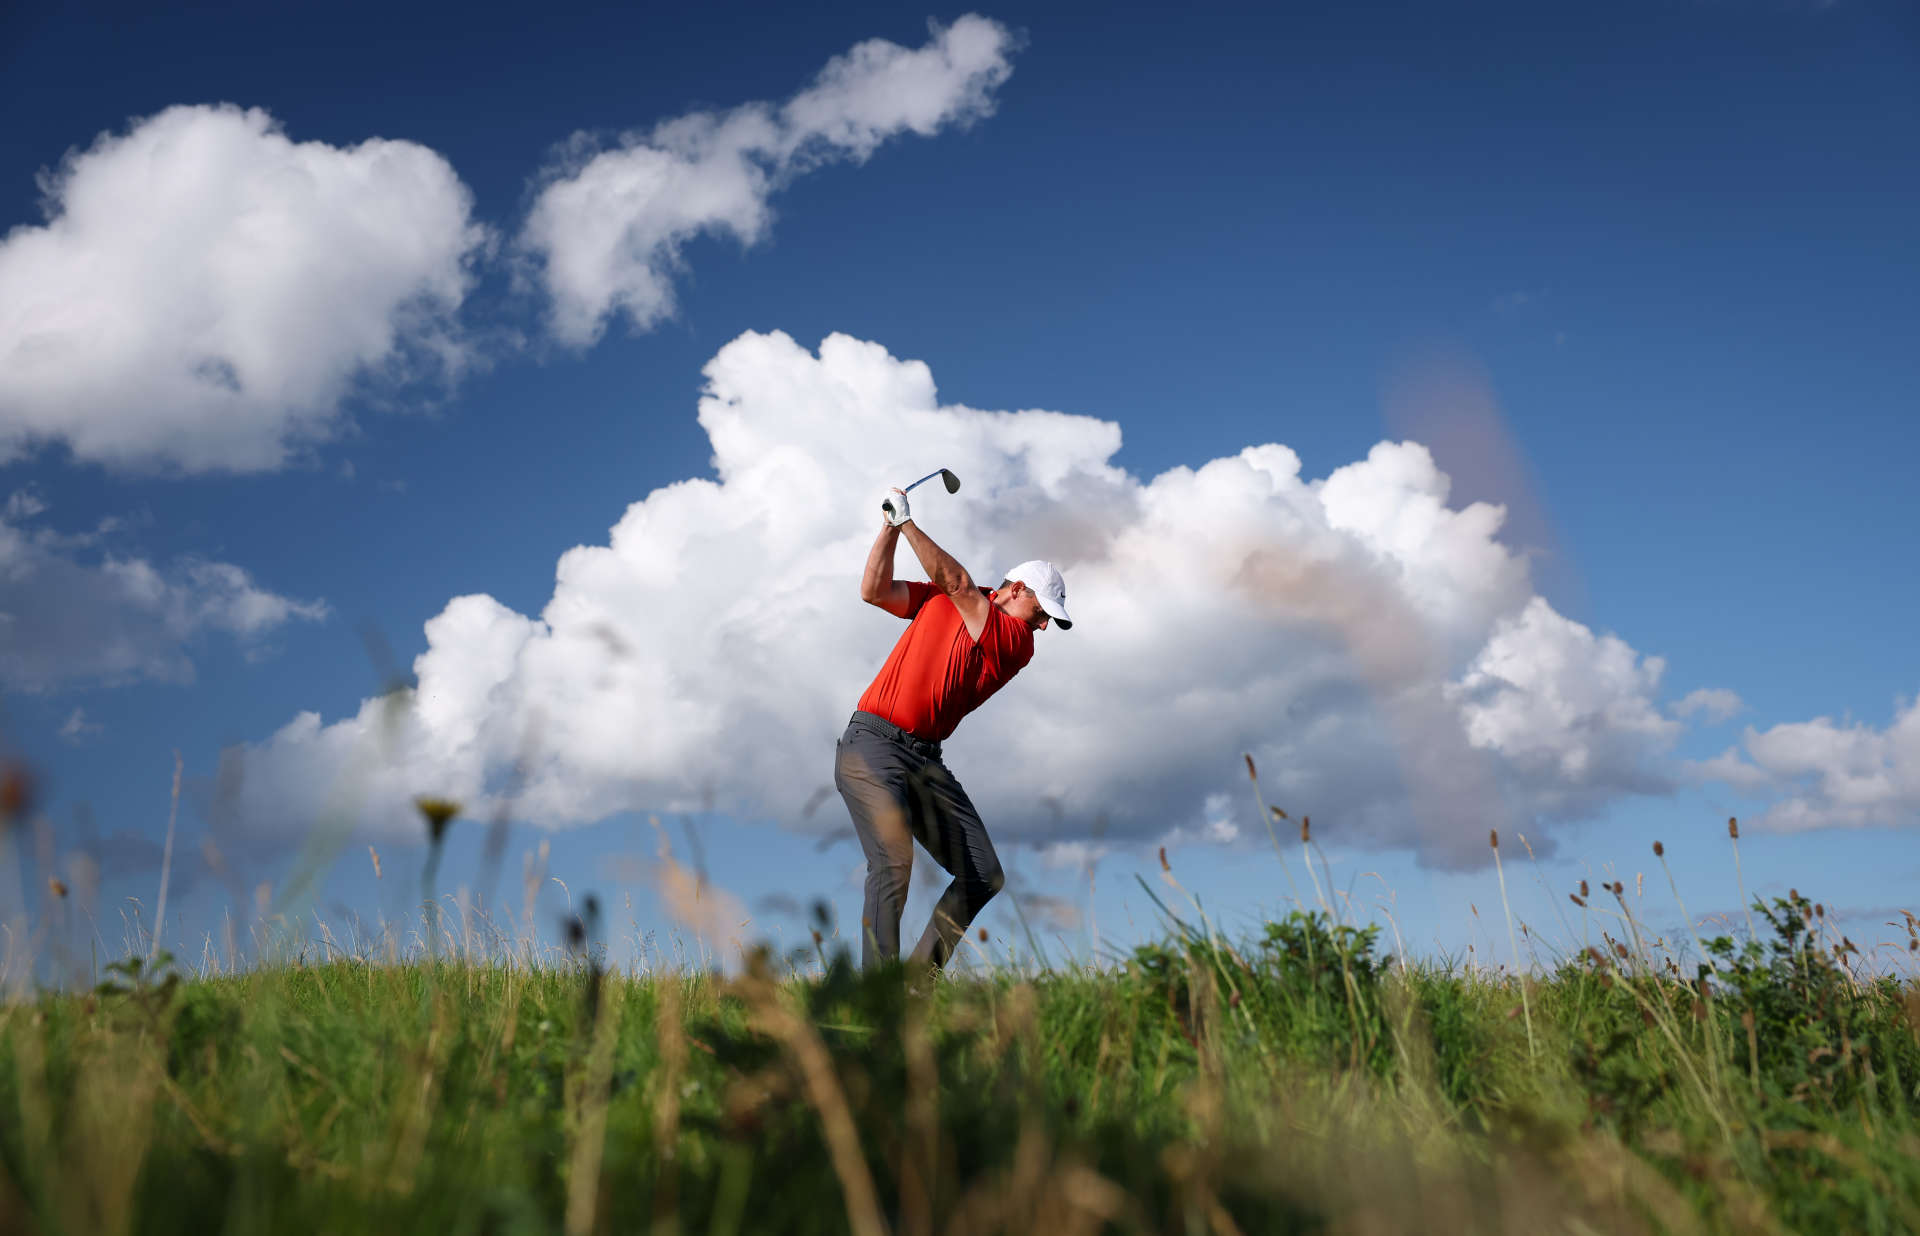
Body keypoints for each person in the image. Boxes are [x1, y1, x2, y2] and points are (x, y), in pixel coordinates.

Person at [833, 484, 1072, 971]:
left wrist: (907, 524)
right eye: (1042, 613)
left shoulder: (1015, 642)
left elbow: (959, 585)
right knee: (893, 862)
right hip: (873, 747)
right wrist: (887, 530)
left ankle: (920, 981)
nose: (1044, 626)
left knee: (983, 874)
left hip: (923, 760)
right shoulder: (945, 600)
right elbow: (874, 591)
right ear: (1017, 590)